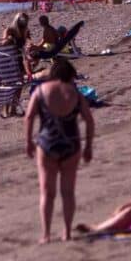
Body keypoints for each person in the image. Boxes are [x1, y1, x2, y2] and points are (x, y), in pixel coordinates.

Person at [25, 58, 94, 243]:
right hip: (71, 144)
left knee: (47, 193)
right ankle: (67, 233)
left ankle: (46, 234)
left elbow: (29, 116)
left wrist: (28, 142)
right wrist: (88, 146)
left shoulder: (40, 91)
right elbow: (89, 120)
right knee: (68, 192)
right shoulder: (76, 94)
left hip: (47, 144)